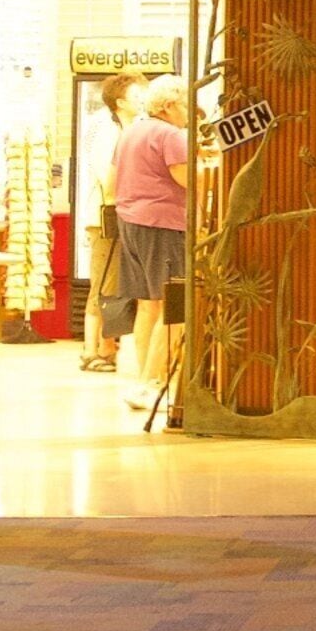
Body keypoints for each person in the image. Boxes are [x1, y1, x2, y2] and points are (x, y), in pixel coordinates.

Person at [106, 77, 191, 410]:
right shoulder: (170, 135)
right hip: (163, 225)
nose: (188, 113)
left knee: (148, 304)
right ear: (168, 105)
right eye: (184, 105)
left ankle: (143, 380)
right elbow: (189, 180)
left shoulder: (131, 132)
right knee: (174, 306)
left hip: (130, 223)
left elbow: (112, 183)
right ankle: (150, 381)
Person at [73, 73, 133, 370]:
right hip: (105, 216)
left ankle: (107, 345)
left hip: (120, 213)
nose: (144, 100)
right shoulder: (106, 130)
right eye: (137, 94)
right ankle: (91, 350)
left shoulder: (125, 128)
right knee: (103, 283)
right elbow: (108, 180)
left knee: (114, 283)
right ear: (120, 101)